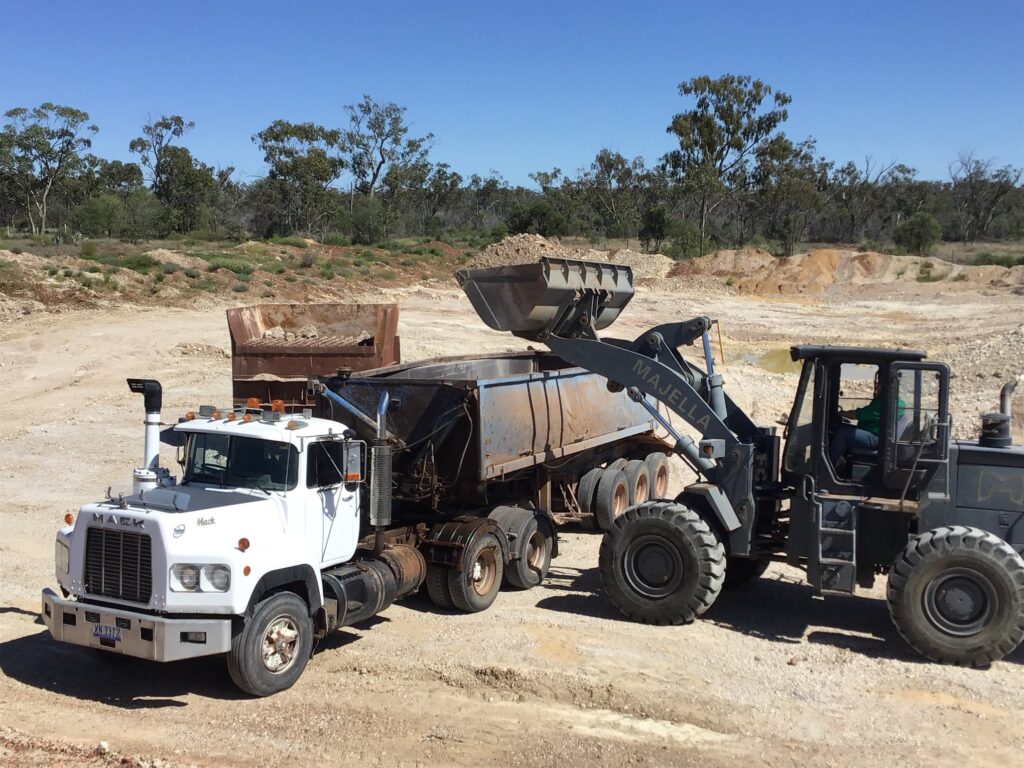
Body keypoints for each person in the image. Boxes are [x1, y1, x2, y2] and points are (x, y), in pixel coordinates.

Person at [829, 372, 887, 466]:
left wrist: (841, 413)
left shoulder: (883, 403)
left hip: (876, 438)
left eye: (879, 383)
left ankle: (831, 465)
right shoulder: (892, 401)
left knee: (843, 433)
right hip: (876, 434)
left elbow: (858, 414)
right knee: (840, 427)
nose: (877, 385)